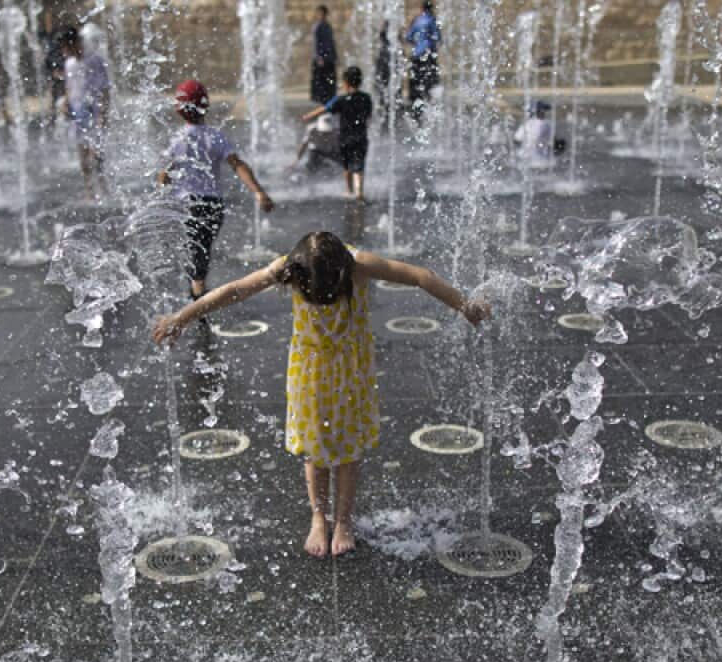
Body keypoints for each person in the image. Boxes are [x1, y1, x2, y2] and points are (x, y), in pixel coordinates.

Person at [151, 232, 490, 556]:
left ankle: (342, 521)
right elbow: (235, 290)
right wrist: (183, 317)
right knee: (314, 448)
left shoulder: (359, 264)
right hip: (309, 370)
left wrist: (465, 306)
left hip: (351, 369)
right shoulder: (289, 267)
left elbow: (420, 276)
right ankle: (318, 516)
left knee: (348, 446)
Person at [158, 80, 275, 301]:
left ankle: (197, 291)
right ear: (206, 106)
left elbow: (164, 174)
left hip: (187, 205)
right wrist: (258, 192)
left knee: (195, 249)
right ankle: (198, 286)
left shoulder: (178, 138)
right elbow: (238, 165)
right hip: (213, 204)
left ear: (179, 110)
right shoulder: (215, 136)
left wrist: (161, 191)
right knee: (202, 247)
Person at [302, 66, 373, 200]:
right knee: (359, 165)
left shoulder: (341, 99)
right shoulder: (366, 98)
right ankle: (360, 192)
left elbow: (325, 108)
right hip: (361, 137)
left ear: (346, 82)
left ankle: (349, 191)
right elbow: (369, 116)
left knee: (347, 166)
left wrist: (308, 116)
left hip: (345, 137)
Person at [60, 28, 111, 199]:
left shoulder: (94, 60)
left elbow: (104, 88)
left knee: (97, 155)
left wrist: (103, 113)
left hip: (94, 112)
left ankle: (104, 188)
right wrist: (66, 102)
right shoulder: (69, 63)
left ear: (74, 43)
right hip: (78, 113)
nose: (63, 51)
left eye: (65, 47)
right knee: (82, 154)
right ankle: (89, 190)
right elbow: (69, 86)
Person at [403, 1, 441, 124]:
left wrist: (418, 43)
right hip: (428, 56)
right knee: (429, 84)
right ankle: (428, 115)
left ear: (422, 8)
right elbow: (437, 38)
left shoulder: (417, 20)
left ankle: (416, 114)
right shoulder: (432, 20)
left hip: (416, 57)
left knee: (415, 85)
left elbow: (408, 37)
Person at [513, 100, 555, 166]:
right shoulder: (547, 124)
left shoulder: (527, 123)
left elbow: (516, 140)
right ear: (542, 112)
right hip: (540, 159)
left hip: (523, 157)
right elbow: (552, 141)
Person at [310, 6, 339, 104]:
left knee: (330, 83)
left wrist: (335, 56)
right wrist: (319, 57)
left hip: (329, 59)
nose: (322, 16)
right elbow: (316, 43)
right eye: (320, 14)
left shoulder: (328, 26)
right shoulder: (317, 27)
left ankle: (330, 101)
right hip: (321, 60)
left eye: (324, 14)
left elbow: (332, 42)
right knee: (321, 84)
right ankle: (321, 103)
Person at [374, 20, 394, 134]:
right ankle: (386, 121)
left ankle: (384, 121)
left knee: (383, 95)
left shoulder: (384, 47)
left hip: (383, 73)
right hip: (385, 73)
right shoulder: (390, 47)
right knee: (386, 96)